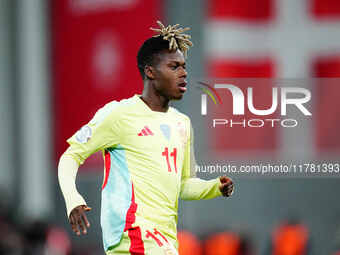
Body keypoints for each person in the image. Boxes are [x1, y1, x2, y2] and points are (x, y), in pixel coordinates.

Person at [58, 21, 234, 255]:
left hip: (165, 240)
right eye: (174, 67)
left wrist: (214, 187)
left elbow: (183, 185)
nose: (183, 74)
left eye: (184, 67)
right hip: (133, 236)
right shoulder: (119, 114)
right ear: (150, 71)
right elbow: (71, 156)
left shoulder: (182, 123)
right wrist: (73, 198)